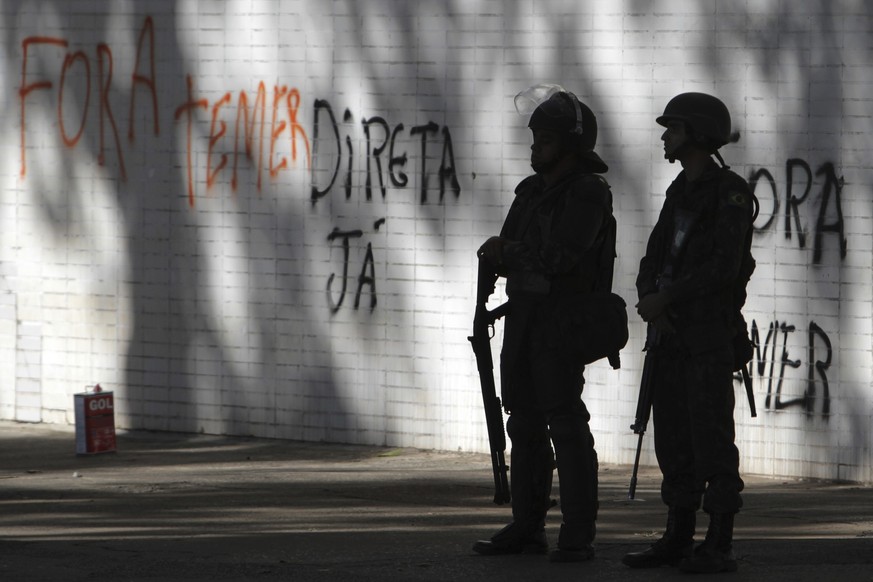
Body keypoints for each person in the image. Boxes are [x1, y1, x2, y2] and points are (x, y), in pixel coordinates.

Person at [471, 87, 615, 562]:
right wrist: (500, 256)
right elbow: (511, 248)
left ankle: (578, 532)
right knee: (524, 423)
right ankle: (527, 524)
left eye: (546, 139)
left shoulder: (588, 192)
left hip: (562, 321)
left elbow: (560, 256)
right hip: (526, 318)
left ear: (572, 144)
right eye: (535, 138)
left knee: (565, 423)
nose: (536, 148)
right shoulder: (531, 192)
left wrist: (505, 252)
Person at [622, 92, 755, 574]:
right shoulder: (680, 189)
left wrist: (669, 298)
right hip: (671, 336)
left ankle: (719, 540)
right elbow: (655, 254)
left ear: (696, 135)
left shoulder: (731, 192)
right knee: (673, 439)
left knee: (712, 439)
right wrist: (648, 299)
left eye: (673, 129)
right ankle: (678, 534)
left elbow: (723, 266)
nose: (665, 137)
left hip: (706, 337)